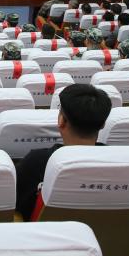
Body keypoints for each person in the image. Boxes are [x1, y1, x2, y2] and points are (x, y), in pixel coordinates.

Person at [15, 83, 112, 218]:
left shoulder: (36, 162)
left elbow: (16, 206)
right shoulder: (117, 161)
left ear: (61, 121)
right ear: (103, 124)